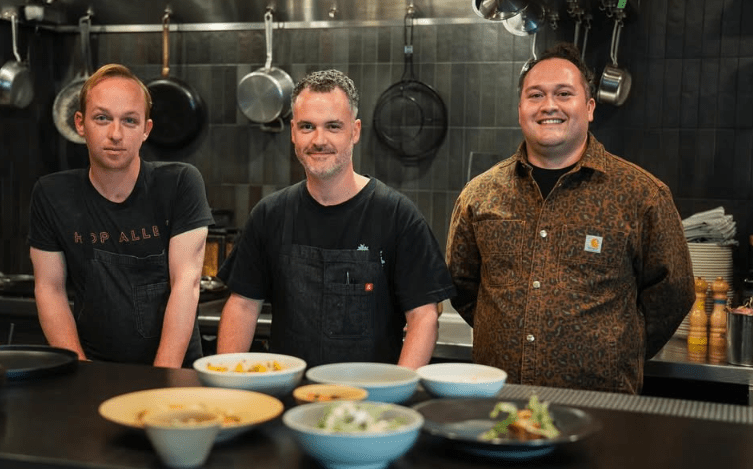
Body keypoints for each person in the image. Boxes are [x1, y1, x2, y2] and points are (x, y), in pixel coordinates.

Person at [445, 43, 695, 394]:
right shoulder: (480, 195)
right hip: (501, 403)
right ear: (520, 109)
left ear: (589, 107)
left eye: (564, 93)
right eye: (535, 95)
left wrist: (617, 346)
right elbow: (461, 285)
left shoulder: (641, 195)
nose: (549, 105)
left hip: (602, 405)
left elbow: (674, 292)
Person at [216, 69, 455, 369]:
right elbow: (242, 305)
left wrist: (397, 389)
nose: (319, 140)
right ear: (293, 132)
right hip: (288, 392)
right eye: (307, 127)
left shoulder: (397, 215)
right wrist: (225, 382)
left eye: (333, 126)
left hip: (371, 395)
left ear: (354, 131)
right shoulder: (270, 214)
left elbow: (423, 317)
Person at [28, 64, 213, 368]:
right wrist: (81, 370)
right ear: (80, 123)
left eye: (129, 120)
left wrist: (161, 378)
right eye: (102, 118)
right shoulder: (51, 194)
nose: (116, 134)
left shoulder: (180, 183)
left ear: (146, 130)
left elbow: (187, 284)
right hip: (94, 369)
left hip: (175, 373)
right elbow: (50, 289)